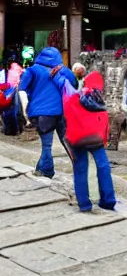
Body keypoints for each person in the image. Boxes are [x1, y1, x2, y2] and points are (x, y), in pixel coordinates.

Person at [60, 70, 115, 213]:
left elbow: (65, 118)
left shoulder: (72, 98)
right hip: (96, 139)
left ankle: (84, 204)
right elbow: (104, 122)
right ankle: (108, 200)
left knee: (80, 169)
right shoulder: (99, 100)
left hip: (77, 139)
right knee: (103, 166)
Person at [16, 46, 75, 177]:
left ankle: (47, 171)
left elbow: (22, 90)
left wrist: (25, 112)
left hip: (42, 113)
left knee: (46, 145)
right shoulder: (64, 71)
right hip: (63, 112)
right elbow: (75, 84)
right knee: (67, 142)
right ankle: (80, 167)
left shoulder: (32, 70)